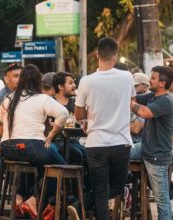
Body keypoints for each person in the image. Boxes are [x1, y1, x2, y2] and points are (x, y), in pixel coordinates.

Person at [75, 37, 135, 220]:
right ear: (115, 56)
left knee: (101, 191)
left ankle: (78, 206)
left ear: (96, 54)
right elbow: (131, 103)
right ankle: (77, 206)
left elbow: (78, 115)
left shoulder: (87, 81)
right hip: (121, 142)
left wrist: (89, 116)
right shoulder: (127, 77)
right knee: (117, 186)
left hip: (96, 143)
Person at [0, 64, 68, 218]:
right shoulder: (41, 98)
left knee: (36, 165)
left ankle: (19, 197)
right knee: (62, 167)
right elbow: (63, 113)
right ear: (38, 81)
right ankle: (34, 200)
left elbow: (0, 119)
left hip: (7, 148)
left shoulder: (9, 98)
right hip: (31, 147)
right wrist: (52, 134)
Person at [130, 66, 173, 219]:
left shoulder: (166, 101)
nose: (149, 80)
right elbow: (135, 98)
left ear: (162, 83)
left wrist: (130, 103)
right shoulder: (152, 97)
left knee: (162, 201)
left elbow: (143, 112)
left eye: (153, 78)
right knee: (119, 154)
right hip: (145, 148)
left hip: (157, 155)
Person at [0, 64, 22, 158]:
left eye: (22, 76)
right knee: (33, 150)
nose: (20, 79)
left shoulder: (19, 96)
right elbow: (0, 131)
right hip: (0, 144)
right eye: (16, 76)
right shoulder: (0, 97)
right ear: (6, 79)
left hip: (16, 140)